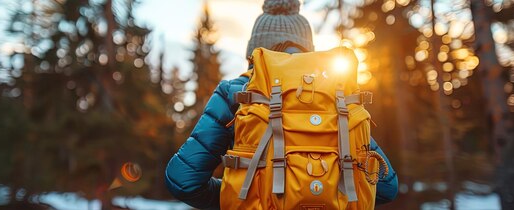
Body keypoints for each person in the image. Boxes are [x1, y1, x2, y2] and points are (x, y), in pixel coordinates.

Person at [164, 0, 398, 209]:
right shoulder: (339, 100)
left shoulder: (235, 92)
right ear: (309, 51)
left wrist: (235, 196)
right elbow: (386, 186)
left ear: (255, 52)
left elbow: (183, 180)